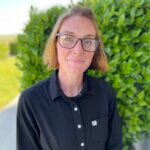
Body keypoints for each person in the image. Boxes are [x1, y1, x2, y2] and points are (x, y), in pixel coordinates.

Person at [17, 6, 123, 150]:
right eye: (68, 38)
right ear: (55, 44)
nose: (78, 50)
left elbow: (114, 146)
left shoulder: (105, 93)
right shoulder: (31, 100)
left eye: (87, 41)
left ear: (95, 49)